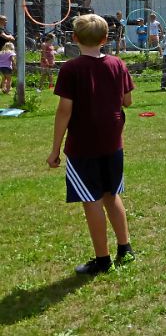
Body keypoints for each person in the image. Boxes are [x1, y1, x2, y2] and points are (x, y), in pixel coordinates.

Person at [46, 14, 135, 275]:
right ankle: (125, 248)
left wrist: (54, 150)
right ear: (105, 39)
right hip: (112, 145)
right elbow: (127, 101)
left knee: (91, 200)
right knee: (111, 195)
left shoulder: (71, 69)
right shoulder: (118, 64)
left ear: (74, 38)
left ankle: (102, 259)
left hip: (83, 147)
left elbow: (64, 111)